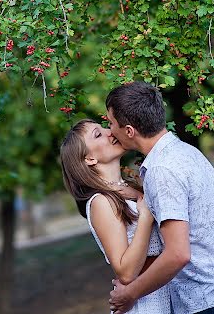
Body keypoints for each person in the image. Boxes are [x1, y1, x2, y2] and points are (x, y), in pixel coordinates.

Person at [106, 81, 214, 314]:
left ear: (129, 131)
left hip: (211, 301)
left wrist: (130, 293)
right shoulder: (184, 153)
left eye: (111, 123)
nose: (109, 131)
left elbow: (178, 254)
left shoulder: (162, 170)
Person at [60, 118, 172, 314]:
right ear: (89, 159)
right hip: (146, 306)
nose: (109, 132)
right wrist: (145, 216)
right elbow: (126, 272)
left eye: (104, 127)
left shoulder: (132, 188)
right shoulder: (100, 202)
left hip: (168, 295)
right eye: (98, 134)